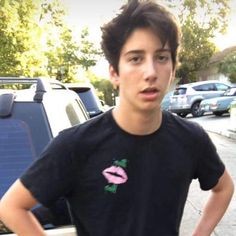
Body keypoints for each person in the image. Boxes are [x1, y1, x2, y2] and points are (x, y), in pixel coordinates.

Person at [0, 1, 234, 235]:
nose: (151, 72)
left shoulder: (189, 138)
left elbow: (224, 188)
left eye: (161, 57)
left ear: (172, 68)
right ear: (114, 73)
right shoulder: (76, 145)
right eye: (135, 59)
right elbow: (11, 207)